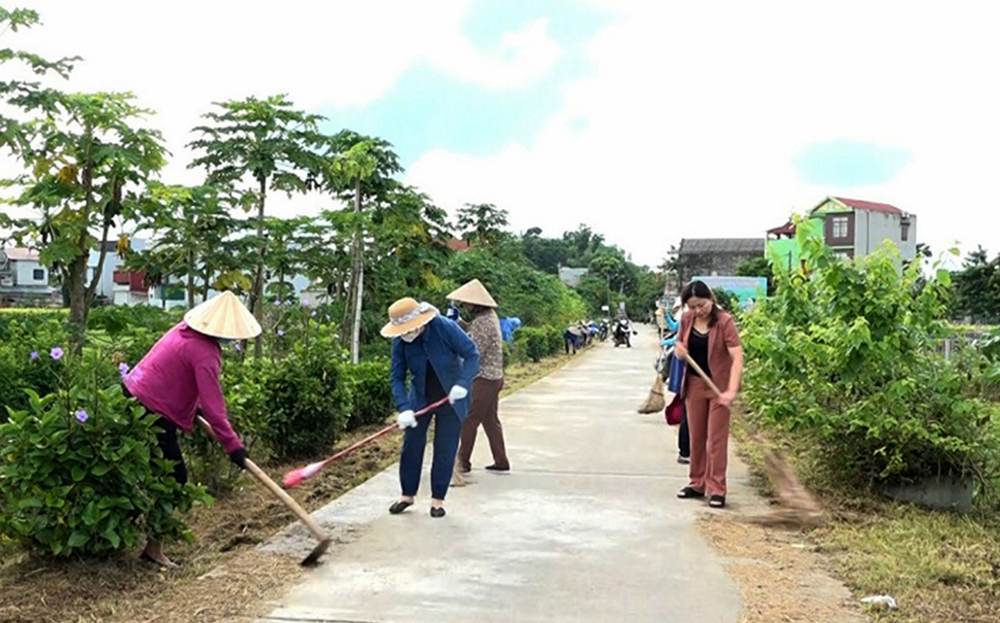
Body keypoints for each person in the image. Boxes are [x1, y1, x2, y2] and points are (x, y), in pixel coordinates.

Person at [122, 291, 259, 568]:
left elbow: (175, 374)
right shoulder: (206, 353)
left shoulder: (182, 330)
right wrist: (233, 446)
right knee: (174, 477)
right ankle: (153, 548)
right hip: (151, 410)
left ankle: (133, 535)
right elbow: (214, 407)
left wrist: (191, 407)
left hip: (131, 394)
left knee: (142, 470)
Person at [383, 297, 480, 518]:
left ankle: (438, 500)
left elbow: (472, 354)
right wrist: (404, 407)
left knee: (445, 447)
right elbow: (397, 377)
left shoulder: (444, 327)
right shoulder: (400, 340)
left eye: (409, 329)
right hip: (420, 397)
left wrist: (462, 384)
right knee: (412, 445)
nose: (406, 333)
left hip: (451, 397)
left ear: (419, 322)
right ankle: (407, 494)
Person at [673, 281, 743, 509]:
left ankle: (717, 489)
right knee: (697, 436)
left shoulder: (725, 322)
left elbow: (737, 358)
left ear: (710, 299)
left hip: (719, 388)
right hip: (694, 385)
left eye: (701, 305)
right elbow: (680, 345)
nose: (697, 311)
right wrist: (679, 350)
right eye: (692, 307)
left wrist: (731, 390)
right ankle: (697, 483)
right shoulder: (687, 319)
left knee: (716, 439)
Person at [449, 279, 510, 474]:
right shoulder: (488, 317)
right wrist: (459, 323)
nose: (466, 306)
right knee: (490, 420)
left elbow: (472, 350)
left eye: (467, 303)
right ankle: (501, 461)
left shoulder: (484, 321)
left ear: (477, 304)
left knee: (469, 419)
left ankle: (462, 462)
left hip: (484, 378)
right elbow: (472, 333)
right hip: (494, 377)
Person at [661, 297, 689, 464]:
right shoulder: (684, 317)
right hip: (683, 356)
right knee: (670, 354)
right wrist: (665, 317)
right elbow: (675, 331)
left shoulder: (692, 315)